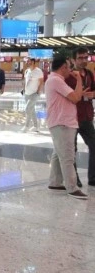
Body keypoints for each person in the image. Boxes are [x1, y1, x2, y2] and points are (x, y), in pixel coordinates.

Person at [45, 55, 90, 199]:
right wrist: (79, 79)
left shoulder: (55, 80)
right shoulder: (56, 80)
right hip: (63, 123)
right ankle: (72, 187)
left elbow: (74, 96)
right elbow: (76, 98)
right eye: (69, 67)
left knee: (58, 154)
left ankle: (55, 182)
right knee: (67, 157)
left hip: (60, 122)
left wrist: (78, 91)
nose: (71, 70)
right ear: (63, 67)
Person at [65, 47, 95, 187]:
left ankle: (93, 177)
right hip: (72, 117)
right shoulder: (68, 76)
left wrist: (93, 94)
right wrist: (78, 95)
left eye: (85, 57)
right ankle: (74, 178)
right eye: (80, 58)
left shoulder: (90, 74)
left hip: (87, 116)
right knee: (72, 149)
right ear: (73, 60)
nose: (83, 60)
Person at [22, 58, 44, 132]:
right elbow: (25, 81)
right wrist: (24, 90)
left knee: (27, 109)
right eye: (27, 61)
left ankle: (26, 126)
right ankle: (36, 126)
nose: (27, 62)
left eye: (29, 61)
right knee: (32, 110)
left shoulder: (38, 71)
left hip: (34, 94)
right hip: (27, 93)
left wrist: (38, 91)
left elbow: (41, 82)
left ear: (33, 62)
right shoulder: (27, 71)